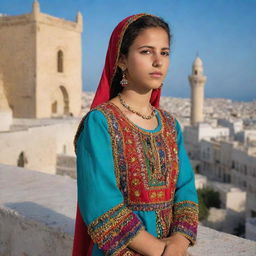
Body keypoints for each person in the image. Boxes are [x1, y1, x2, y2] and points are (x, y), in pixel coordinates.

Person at [72, 13, 198, 256]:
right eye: (146, 51)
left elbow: (186, 187)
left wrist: (180, 241)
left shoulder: (170, 125)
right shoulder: (100, 123)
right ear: (121, 60)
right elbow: (101, 204)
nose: (158, 61)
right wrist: (159, 250)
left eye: (164, 52)